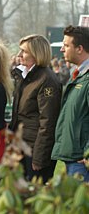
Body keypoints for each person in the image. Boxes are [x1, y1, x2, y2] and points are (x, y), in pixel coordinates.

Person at [9, 34, 62, 184]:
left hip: (34, 151)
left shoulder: (46, 80)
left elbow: (48, 122)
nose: (19, 55)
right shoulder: (24, 76)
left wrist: (39, 158)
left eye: (24, 51)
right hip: (21, 147)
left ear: (37, 53)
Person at [51, 25, 89, 182]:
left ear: (79, 48)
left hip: (82, 160)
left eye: (66, 45)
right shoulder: (78, 75)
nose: (62, 50)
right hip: (73, 157)